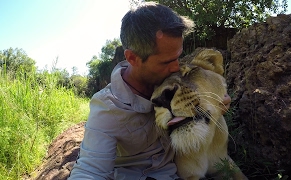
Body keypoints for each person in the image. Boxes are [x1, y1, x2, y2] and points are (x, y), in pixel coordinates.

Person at [68, 2, 231, 180]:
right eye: (166, 62)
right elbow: (90, 170)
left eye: (178, 56)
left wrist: (216, 97)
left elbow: (205, 87)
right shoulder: (107, 107)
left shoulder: (169, 78)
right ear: (133, 58)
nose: (176, 67)